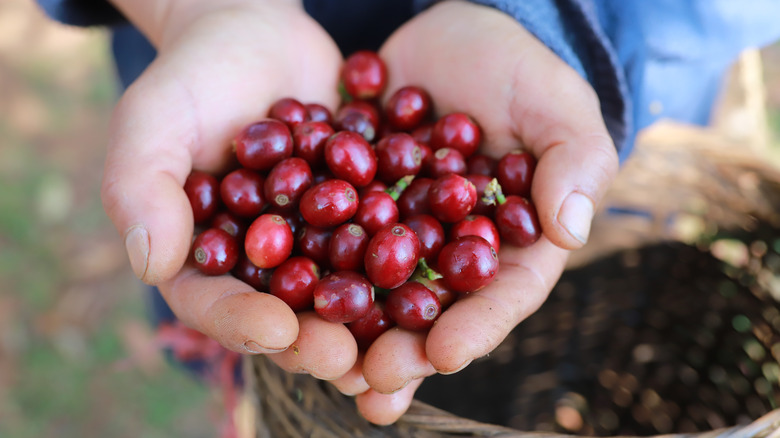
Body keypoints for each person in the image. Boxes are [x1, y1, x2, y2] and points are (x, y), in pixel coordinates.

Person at [37, 0, 780, 426]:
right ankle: (245, 400)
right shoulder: (330, 210)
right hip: (234, 43)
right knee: (261, 355)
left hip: (613, 42)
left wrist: (545, 20)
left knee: (584, 328)